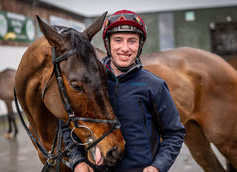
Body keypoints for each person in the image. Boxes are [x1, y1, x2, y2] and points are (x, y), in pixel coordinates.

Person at [62, 10, 186, 172]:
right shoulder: (89, 82)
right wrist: (77, 161)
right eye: (118, 40)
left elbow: (174, 133)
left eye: (132, 41)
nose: (125, 48)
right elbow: (65, 124)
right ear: (108, 44)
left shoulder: (154, 85)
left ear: (140, 45)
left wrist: (158, 166)